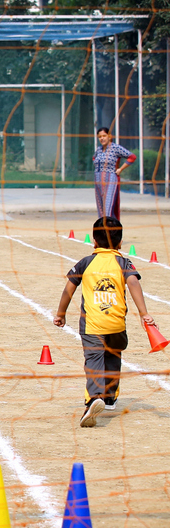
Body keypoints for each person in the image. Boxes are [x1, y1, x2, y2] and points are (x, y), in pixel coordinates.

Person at [54, 217, 155, 427]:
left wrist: (61, 313)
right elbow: (134, 282)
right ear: (120, 243)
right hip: (117, 323)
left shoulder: (86, 262)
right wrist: (144, 313)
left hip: (93, 324)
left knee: (93, 360)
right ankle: (109, 398)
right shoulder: (124, 262)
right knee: (113, 355)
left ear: (94, 240)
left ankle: (94, 398)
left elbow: (69, 289)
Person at [93, 126, 136, 221]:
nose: (102, 138)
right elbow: (94, 159)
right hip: (98, 179)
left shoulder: (115, 148)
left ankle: (112, 231)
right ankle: (102, 231)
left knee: (107, 207)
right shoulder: (99, 150)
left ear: (109, 136)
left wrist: (120, 168)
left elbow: (132, 157)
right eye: (100, 137)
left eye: (104, 136)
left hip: (110, 179)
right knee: (100, 207)